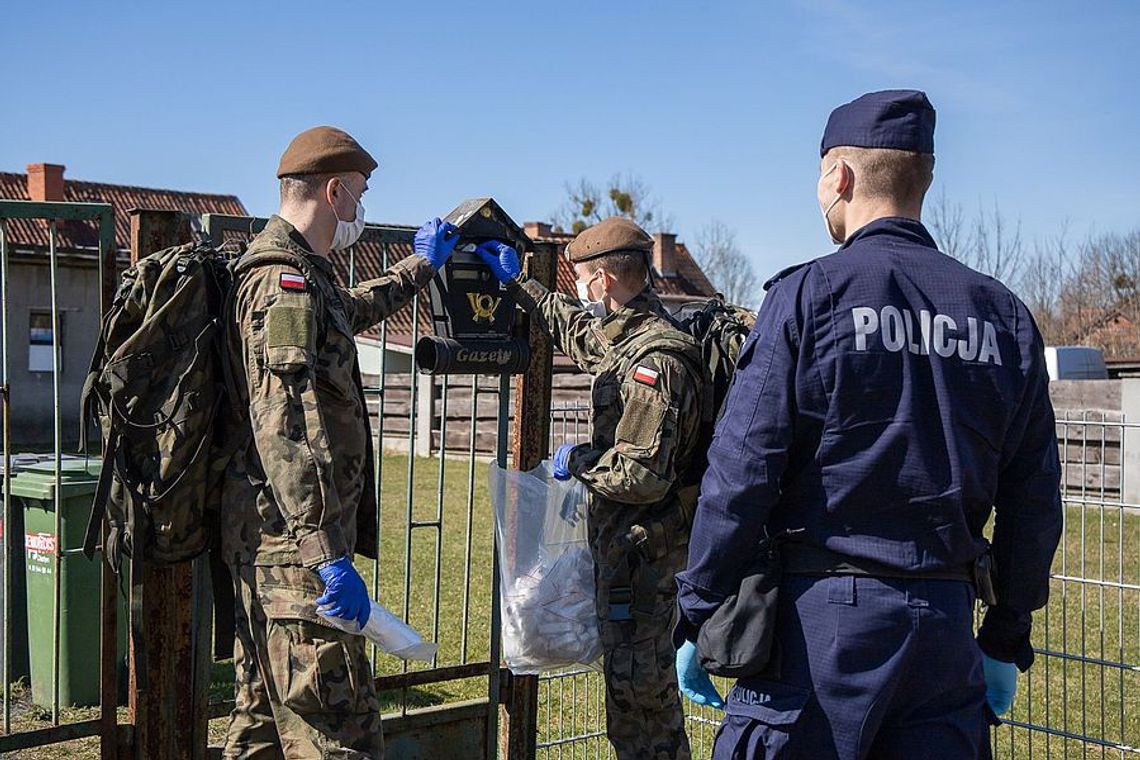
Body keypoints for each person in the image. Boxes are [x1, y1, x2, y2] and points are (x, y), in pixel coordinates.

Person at [674, 90, 1063, 759]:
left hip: (817, 635)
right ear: (924, 179)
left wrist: (698, 608)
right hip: (944, 631)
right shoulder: (1002, 314)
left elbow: (743, 471)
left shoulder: (807, 297)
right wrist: (1004, 636)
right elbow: (1034, 498)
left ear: (840, 177)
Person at [220, 125, 460, 759]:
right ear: (333, 191)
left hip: (274, 545)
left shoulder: (305, 275)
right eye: (358, 194)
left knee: (263, 732)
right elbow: (285, 423)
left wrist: (421, 266)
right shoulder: (282, 282)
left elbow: (348, 312)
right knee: (339, 735)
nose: (360, 210)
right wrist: (326, 550)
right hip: (296, 554)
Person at [477, 217, 705, 759]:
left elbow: (641, 474)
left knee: (643, 704)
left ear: (603, 279)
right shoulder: (629, 337)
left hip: (646, 561)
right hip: (626, 557)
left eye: (581, 278)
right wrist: (523, 286)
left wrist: (579, 460)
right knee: (630, 700)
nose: (579, 290)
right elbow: (582, 335)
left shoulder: (656, 360)